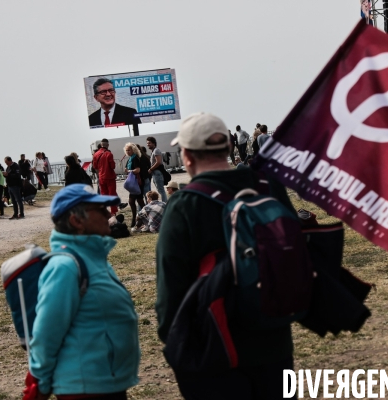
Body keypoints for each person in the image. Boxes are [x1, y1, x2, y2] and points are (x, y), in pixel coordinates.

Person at [156, 112, 297, 399]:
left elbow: (171, 284)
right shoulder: (268, 187)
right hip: (274, 339)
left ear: (187, 155)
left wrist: (174, 342)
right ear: (230, 147)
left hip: (215, 346)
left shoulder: (185, 204)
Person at [27, 184, 140, 400]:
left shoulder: (92, 258)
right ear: (76, 221)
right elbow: (46, 334)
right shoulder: (65, 267)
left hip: (105, 382)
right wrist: (39, 385)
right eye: (99, 209)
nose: (109, 213)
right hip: (84, 388)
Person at [92, 138, 118, 215]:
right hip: (109, 177)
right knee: (112, 194)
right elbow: (112, 166)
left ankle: (104, 212)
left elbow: (95, 167)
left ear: (101, 144)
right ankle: (113, 213)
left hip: (101, 177)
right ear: (108, 145)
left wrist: (99, 173)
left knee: (103, 195)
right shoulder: (109, 154)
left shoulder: (95, 154)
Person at [123, 143, 145, 227]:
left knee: (137, 201)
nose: (128, 152)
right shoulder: (130, 159)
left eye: (129, 150)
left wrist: (128, 171)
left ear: (133, 150)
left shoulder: (135, 158)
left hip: (137, 182)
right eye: (127, 150)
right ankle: (136, 219)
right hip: (134, 183)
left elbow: (137, 170)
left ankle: (140, 218)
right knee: (134, 201)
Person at [146, 136, 168, 202]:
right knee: (160, 190)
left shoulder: (156, 150)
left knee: (161, 191)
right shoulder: (153, 151)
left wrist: (150, 169)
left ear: (154, 143)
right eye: (147, 143)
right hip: (155, 173)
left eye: (149, 143)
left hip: (157, 173)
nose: (148, 145)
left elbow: (158, 162)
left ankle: (164, 205)